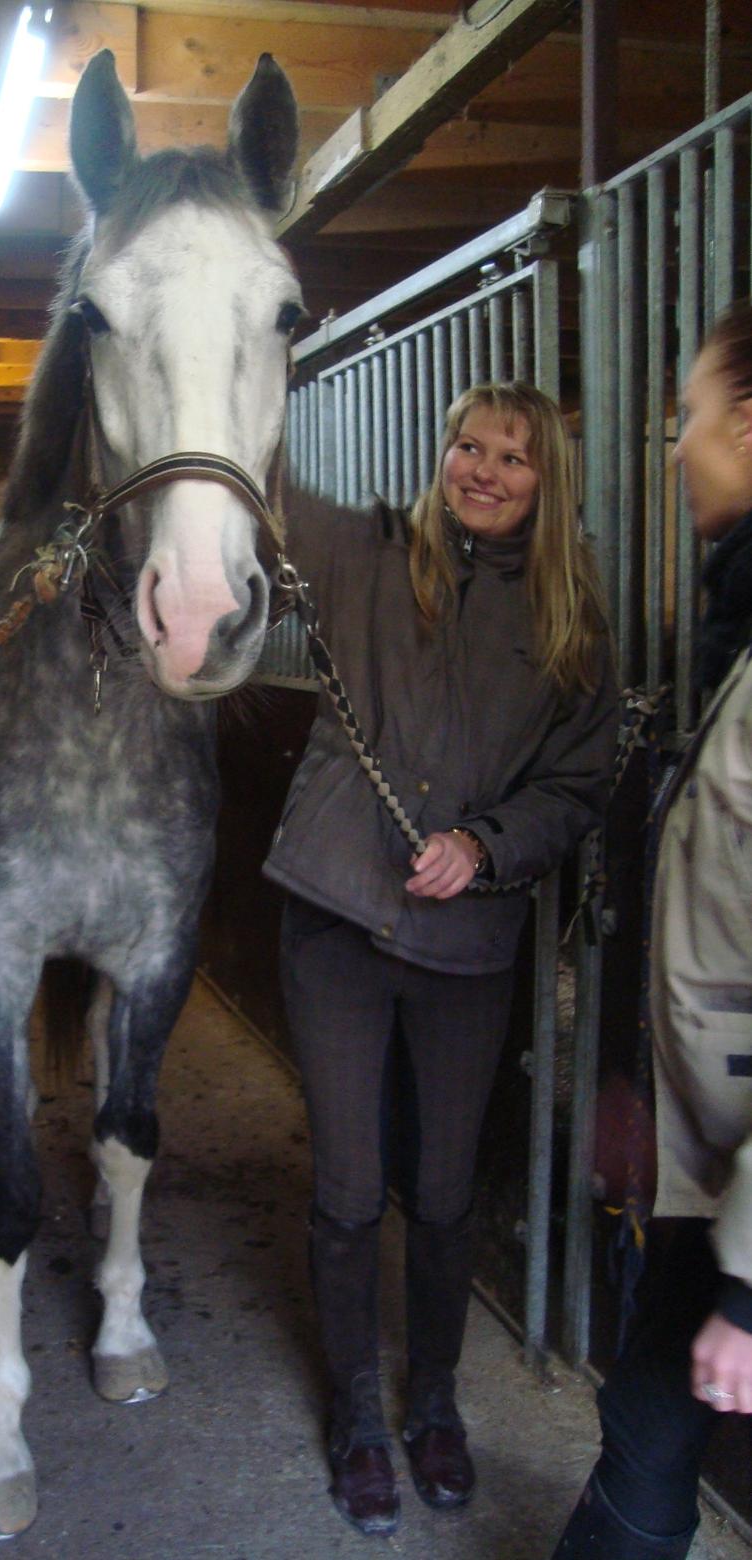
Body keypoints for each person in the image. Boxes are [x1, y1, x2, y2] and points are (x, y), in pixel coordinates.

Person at [264, 381, 619, 1536]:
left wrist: (487, 844)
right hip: (337, 916)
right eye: (467, 444)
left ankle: (437, 1402)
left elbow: (578, 780)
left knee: (450, 1191)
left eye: (512, 458)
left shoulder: (574, 621)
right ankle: (363, 1414)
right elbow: (258, 486)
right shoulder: (369, 555)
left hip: (469, 940)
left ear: (544, 482)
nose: (483, 469)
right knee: (351, 1187)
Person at [551, 303, 752, 1558]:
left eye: (683, 419)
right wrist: (644, 1086)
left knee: (646, 1439)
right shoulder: (733, 636)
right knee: (641, 1434)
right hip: (712, 1166)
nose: (670, 448)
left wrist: (746, 1287)